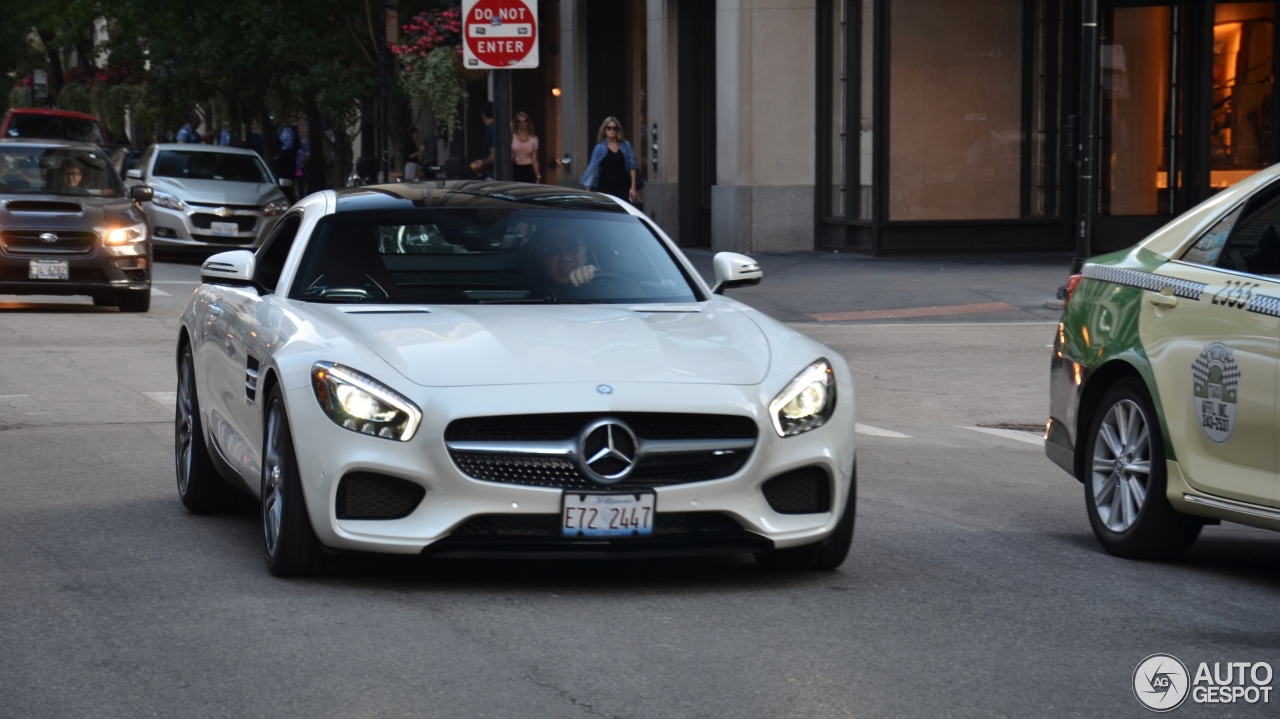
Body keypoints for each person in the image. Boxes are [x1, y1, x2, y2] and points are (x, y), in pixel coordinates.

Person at [580, 117, 639, 203]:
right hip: (605, 186)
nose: (612, 130)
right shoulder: (599, 148)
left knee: (622, 211)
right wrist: (588, 188)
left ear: (618, 130)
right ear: (604, 130)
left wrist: (633, 187)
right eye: (609, 128)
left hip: (622, 185)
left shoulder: (625, 145)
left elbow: (632, 165)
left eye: (615, 128)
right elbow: (593, 168)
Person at [528, 227, 597, 299]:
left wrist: (596, 280)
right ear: (540, 257)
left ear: (586, 252)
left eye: (573, 247)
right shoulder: (527, 297)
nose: (565, 258)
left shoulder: (601, 288)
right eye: (553, 250)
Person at [511, 112, 540, 183]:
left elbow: (534, 160)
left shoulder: (534, 139)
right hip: (516, 168)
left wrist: (538, 175)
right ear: (516, 124)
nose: (523, 123)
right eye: (520, 121)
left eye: (525, 121)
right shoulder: (512, 138)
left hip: (529, 169)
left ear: (528, 123)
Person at [273, 124, 300, 202]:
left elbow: (287, 147)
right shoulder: (287, 131)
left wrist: (278, 157)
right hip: (286, 166)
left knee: (285, 190)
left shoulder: (287, 131)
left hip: (284, 167)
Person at [470, 102, 495, 179]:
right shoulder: (498, 127)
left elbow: (494, 155)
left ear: (483, 115)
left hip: (492, 175)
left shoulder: (490, 130)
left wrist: (482, 165)